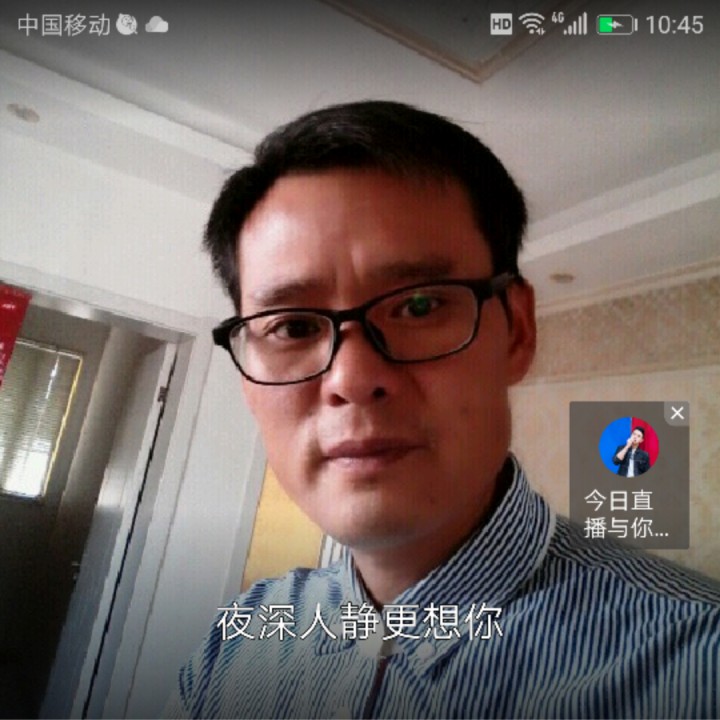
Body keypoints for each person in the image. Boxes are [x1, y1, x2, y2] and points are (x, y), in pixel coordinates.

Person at [164, 101, 719, 719]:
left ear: (516, 331)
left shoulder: (696, 662)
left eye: (419, 306)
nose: (352, 379)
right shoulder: (236, 645)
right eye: (292, 326)